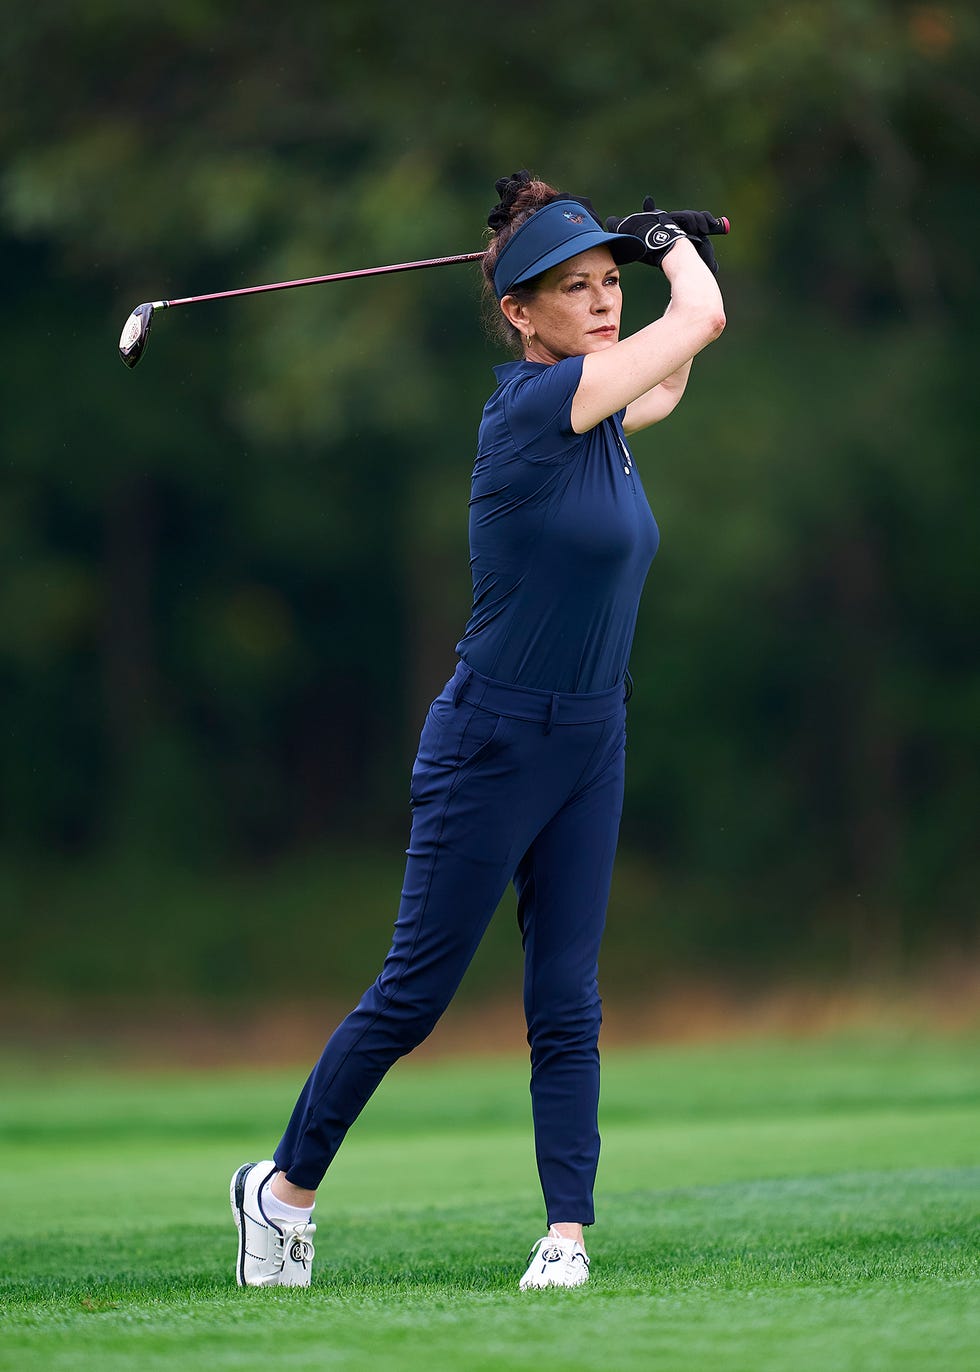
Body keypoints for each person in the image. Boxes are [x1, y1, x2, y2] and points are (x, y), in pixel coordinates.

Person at [230, 170, 726, 1291]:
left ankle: (566, 1234)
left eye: (611, 284)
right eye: (576, 288)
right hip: (491, 740)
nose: (604, 304)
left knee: (566, 992)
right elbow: (697, 320)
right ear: (515, 310)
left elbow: (672, 372)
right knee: (414, 992)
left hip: (590, 734)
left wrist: (658, 253)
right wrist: (666, 254)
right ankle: (282, 1191)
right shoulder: (532, 409)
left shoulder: (601, 409)